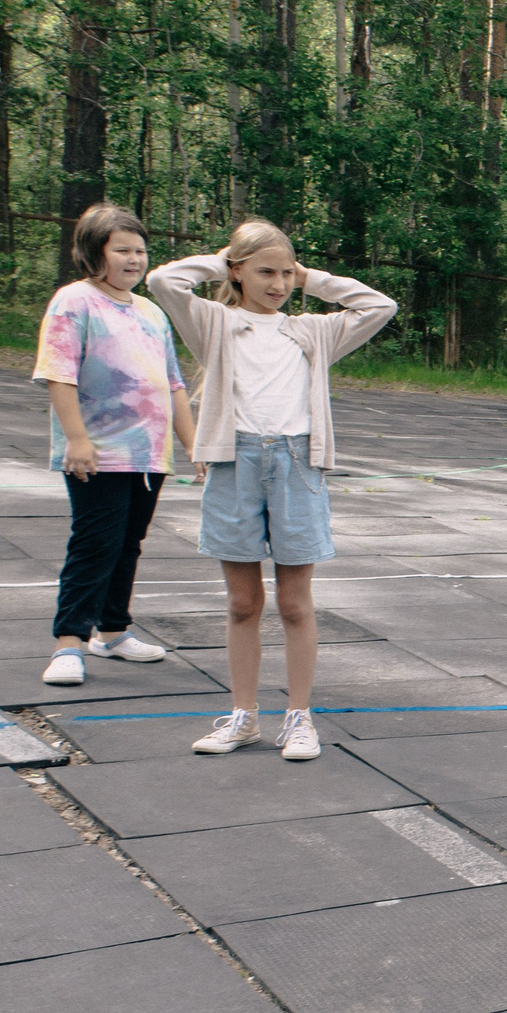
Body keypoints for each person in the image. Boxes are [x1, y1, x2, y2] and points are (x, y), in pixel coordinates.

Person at [147, 222, 397, 760]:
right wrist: (222, 259)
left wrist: (312, 278)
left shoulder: (312, 329)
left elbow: (379, 306)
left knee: (294, 603)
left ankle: (299, 718)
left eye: (286, 273)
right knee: (242, 603)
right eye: (265, 272)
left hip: (295, 463)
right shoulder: (214, 322)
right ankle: (242, 718)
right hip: (234, 462)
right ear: (237, 271)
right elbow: (164, 281)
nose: (278, 283)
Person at [32, 203, 197, 686]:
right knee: (95, 544)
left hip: (149, 454)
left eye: (141, 250)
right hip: (100, 451)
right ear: (93, 252)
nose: (134, 259)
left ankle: (112, 632)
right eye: (122, 249)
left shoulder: (150, 311)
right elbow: (58, 375)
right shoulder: (74, 301)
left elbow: (174, 385)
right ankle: (68, 643)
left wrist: (194, 444)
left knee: (128, 545)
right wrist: (77, 440)